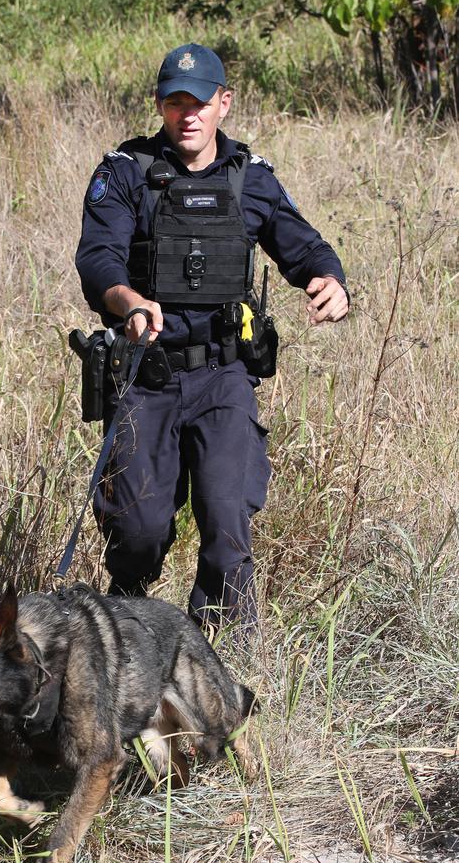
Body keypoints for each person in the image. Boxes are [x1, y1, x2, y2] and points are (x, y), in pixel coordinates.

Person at [75, 43, 349, 630]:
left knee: (227, 524)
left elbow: (305, 246)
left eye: (200, 102)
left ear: (223, 103)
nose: (188, 115)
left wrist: (330, 280)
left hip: (224, 374)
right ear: (159, 105)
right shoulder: (124, 172)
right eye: (176, 103)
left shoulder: (252, 179)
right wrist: (127, 303)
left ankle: (226, 662)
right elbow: (98, 258)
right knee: (139, 532)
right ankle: (128, 620)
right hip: (146, 374)